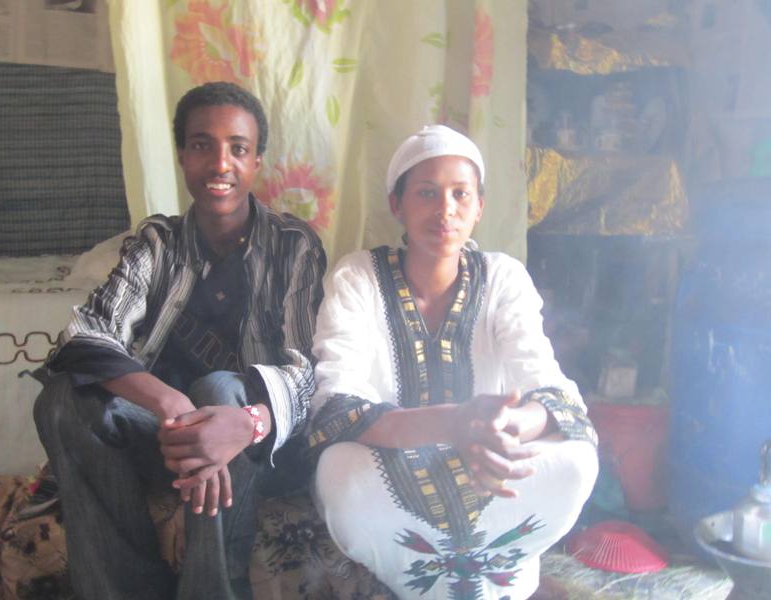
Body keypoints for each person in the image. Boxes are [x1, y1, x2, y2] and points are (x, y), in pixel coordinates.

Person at [33, 81, 326, 600]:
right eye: (201, 144)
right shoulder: (157, 242)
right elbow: (85, 335)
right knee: (61, 401)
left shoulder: (293, 245)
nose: (220, 163)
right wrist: (170, 403)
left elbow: (307, 372)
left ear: (257, 161)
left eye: (237, 148)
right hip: (165, 437)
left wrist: (243, 422)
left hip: (256, 443)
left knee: (220, 387)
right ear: (182, 156)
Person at [308, 125, 598, 600]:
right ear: (396, 205)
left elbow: (549, 386)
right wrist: (452, 424)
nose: (446, 210)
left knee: (576, 462)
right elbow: (336, 404)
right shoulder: (358, 275)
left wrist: (502, 429)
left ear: (479, 207)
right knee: (340, 475)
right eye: (427, 193)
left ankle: (488, 576)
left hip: (491, 454)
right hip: (391, 459)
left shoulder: (504, 276)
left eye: (461, 195)